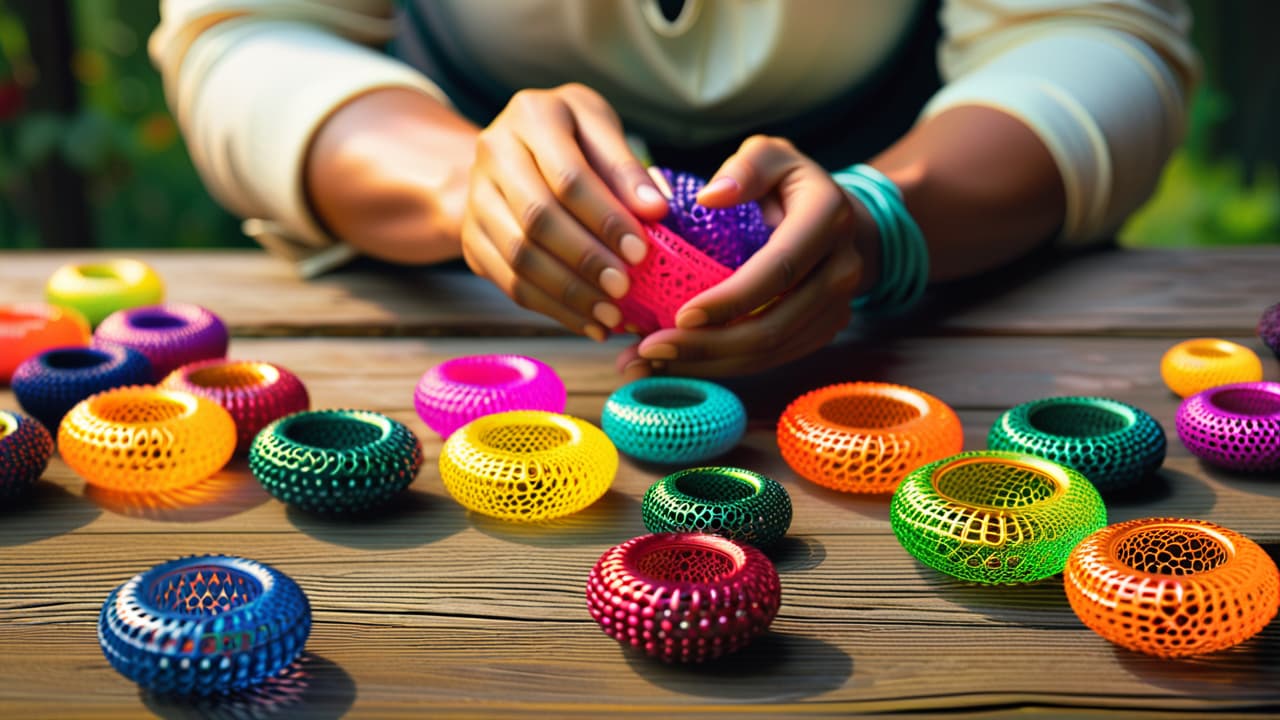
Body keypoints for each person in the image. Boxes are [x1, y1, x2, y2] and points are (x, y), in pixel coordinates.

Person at [150, 0, 1198, 378]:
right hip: (450, 281)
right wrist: (459, 180)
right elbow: (252, 34)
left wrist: (887, 213)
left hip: (922, 259)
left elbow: (1088, 34)